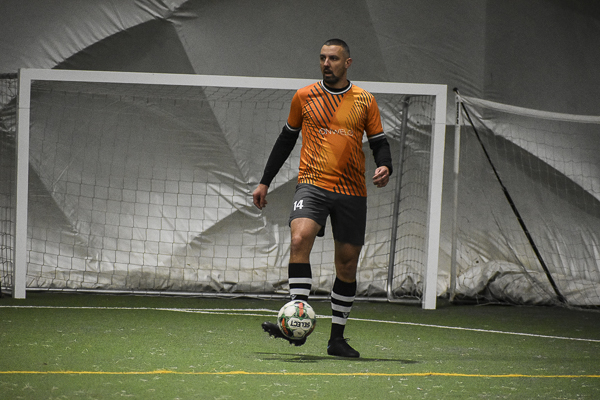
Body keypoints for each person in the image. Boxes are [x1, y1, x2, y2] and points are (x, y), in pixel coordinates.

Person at [252, 38, 393, 358]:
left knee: (347, 264)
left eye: (333, 58)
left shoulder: (365, 100)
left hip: (351, 191)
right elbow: (286, 140)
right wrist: (264, 182)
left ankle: (336, 340)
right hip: (312, 185)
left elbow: (379, 142)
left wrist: (385, 165)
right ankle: (297, 323)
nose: (326, 64)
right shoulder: (304, 96)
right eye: (322, 58)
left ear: (348, 63)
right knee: (299, 237)